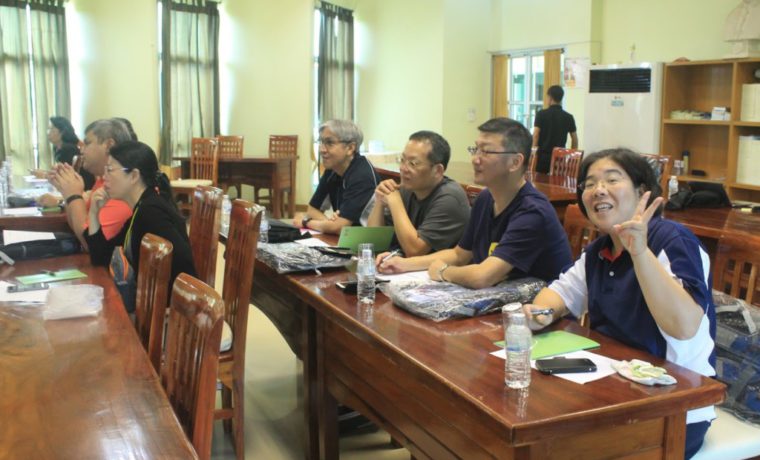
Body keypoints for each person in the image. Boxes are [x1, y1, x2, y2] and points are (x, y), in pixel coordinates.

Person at [524, 148, 716, 459]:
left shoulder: (673, 240)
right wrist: (541, 313)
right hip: (611, 391)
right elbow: (559, 293)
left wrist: (639, 252)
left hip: (675, 406)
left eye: (612, 180)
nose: (598, 190)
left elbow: (684, 327)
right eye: (589, 184)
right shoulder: (599, 250)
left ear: (642, 192)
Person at [378, 118, 572, 289]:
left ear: (515, 162)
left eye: (485, 152)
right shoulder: (485, 199)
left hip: (537, 311)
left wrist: (443, 271)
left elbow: (483, 277)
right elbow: (459, 255)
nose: (475, 159)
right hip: (499, 300)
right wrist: (403, 264)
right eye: (475, 149)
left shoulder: (533, 211)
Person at [85, 141, 196, 312]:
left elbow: (184, 266)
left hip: (167, 314)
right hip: (151, 308)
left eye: (110, 170)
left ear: (134, 176)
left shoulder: (151, 213)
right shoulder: (140, 210)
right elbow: (102, 257)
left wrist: (164, 315)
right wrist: (93, 215)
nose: (103, 177)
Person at [368, 130, 470, 257]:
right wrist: (380, 201)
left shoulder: (450, 198)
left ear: (438, 170)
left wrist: (395, 202)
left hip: (439, 269)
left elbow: (414, 251)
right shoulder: (409, 188)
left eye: (413, 163)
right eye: (402, 160)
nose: (403, 168)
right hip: (402, 265)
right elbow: (373, 241)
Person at [48, 118, 134, 247]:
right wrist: (66, 191)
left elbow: (89, 243)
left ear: (109, 145)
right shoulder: (102, 180)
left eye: (87, 143)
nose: (81, 149)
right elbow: (75, 227)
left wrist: (73, 195)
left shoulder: (121, 188)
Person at [293, 119, 378, 235]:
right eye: (321, 142)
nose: (322, 149)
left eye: (329, 143)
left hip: (366, 242)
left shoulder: (362, 176)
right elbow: (312, 210)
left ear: (350, 148)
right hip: (345, 237)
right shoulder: (333, 168)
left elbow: (340, 228)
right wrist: (329, 224)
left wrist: (305, 222)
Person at [532, 85, 578, 174]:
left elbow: (536, 135)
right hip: (560, 158)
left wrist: (533, 153)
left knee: (540, 179)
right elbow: (575, 138)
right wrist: (572, 155)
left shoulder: (541, 114)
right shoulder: (568, 117)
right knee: (557, 180)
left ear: (550, 97)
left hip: (542, 157)